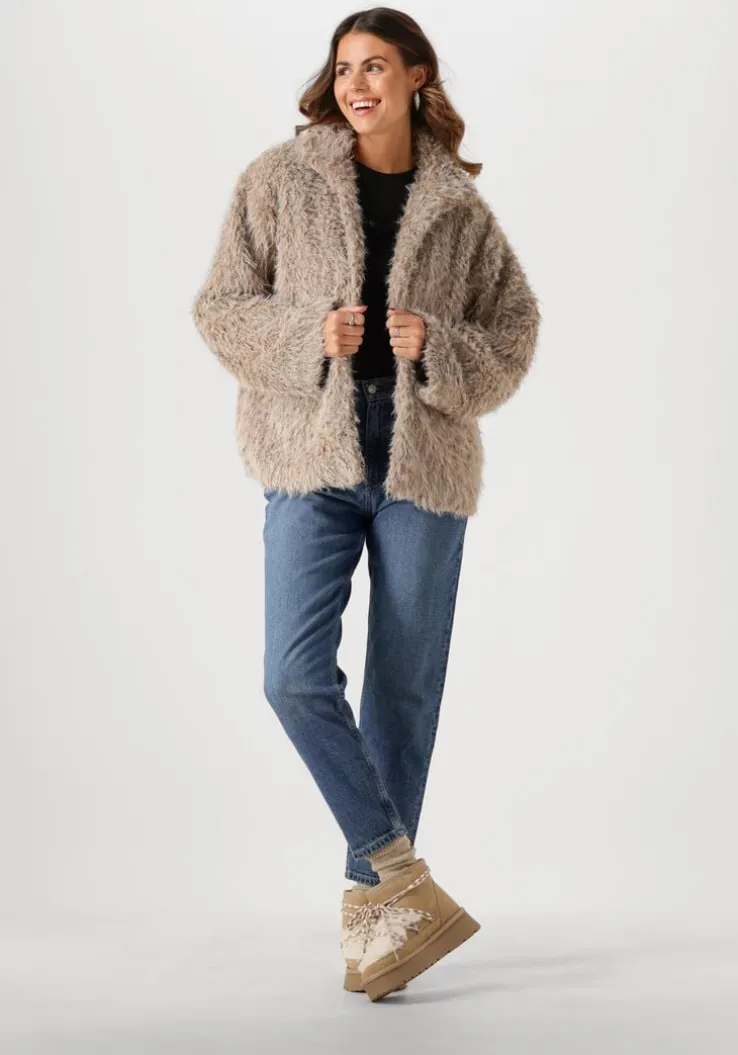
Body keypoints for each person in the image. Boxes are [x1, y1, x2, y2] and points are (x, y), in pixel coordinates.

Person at [191, 8, 540, 1001]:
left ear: (417, 77)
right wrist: (310, 335)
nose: (356, 84)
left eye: (376, 66)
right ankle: (397, 867)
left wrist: (439, 345)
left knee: (403, 690)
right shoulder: (277, 179)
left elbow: (514, 331)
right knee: (293, 677)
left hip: (423, 458)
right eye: (345, 68)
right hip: (309, 449)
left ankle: (378, 925)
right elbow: (220, 308)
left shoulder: (458, 208)